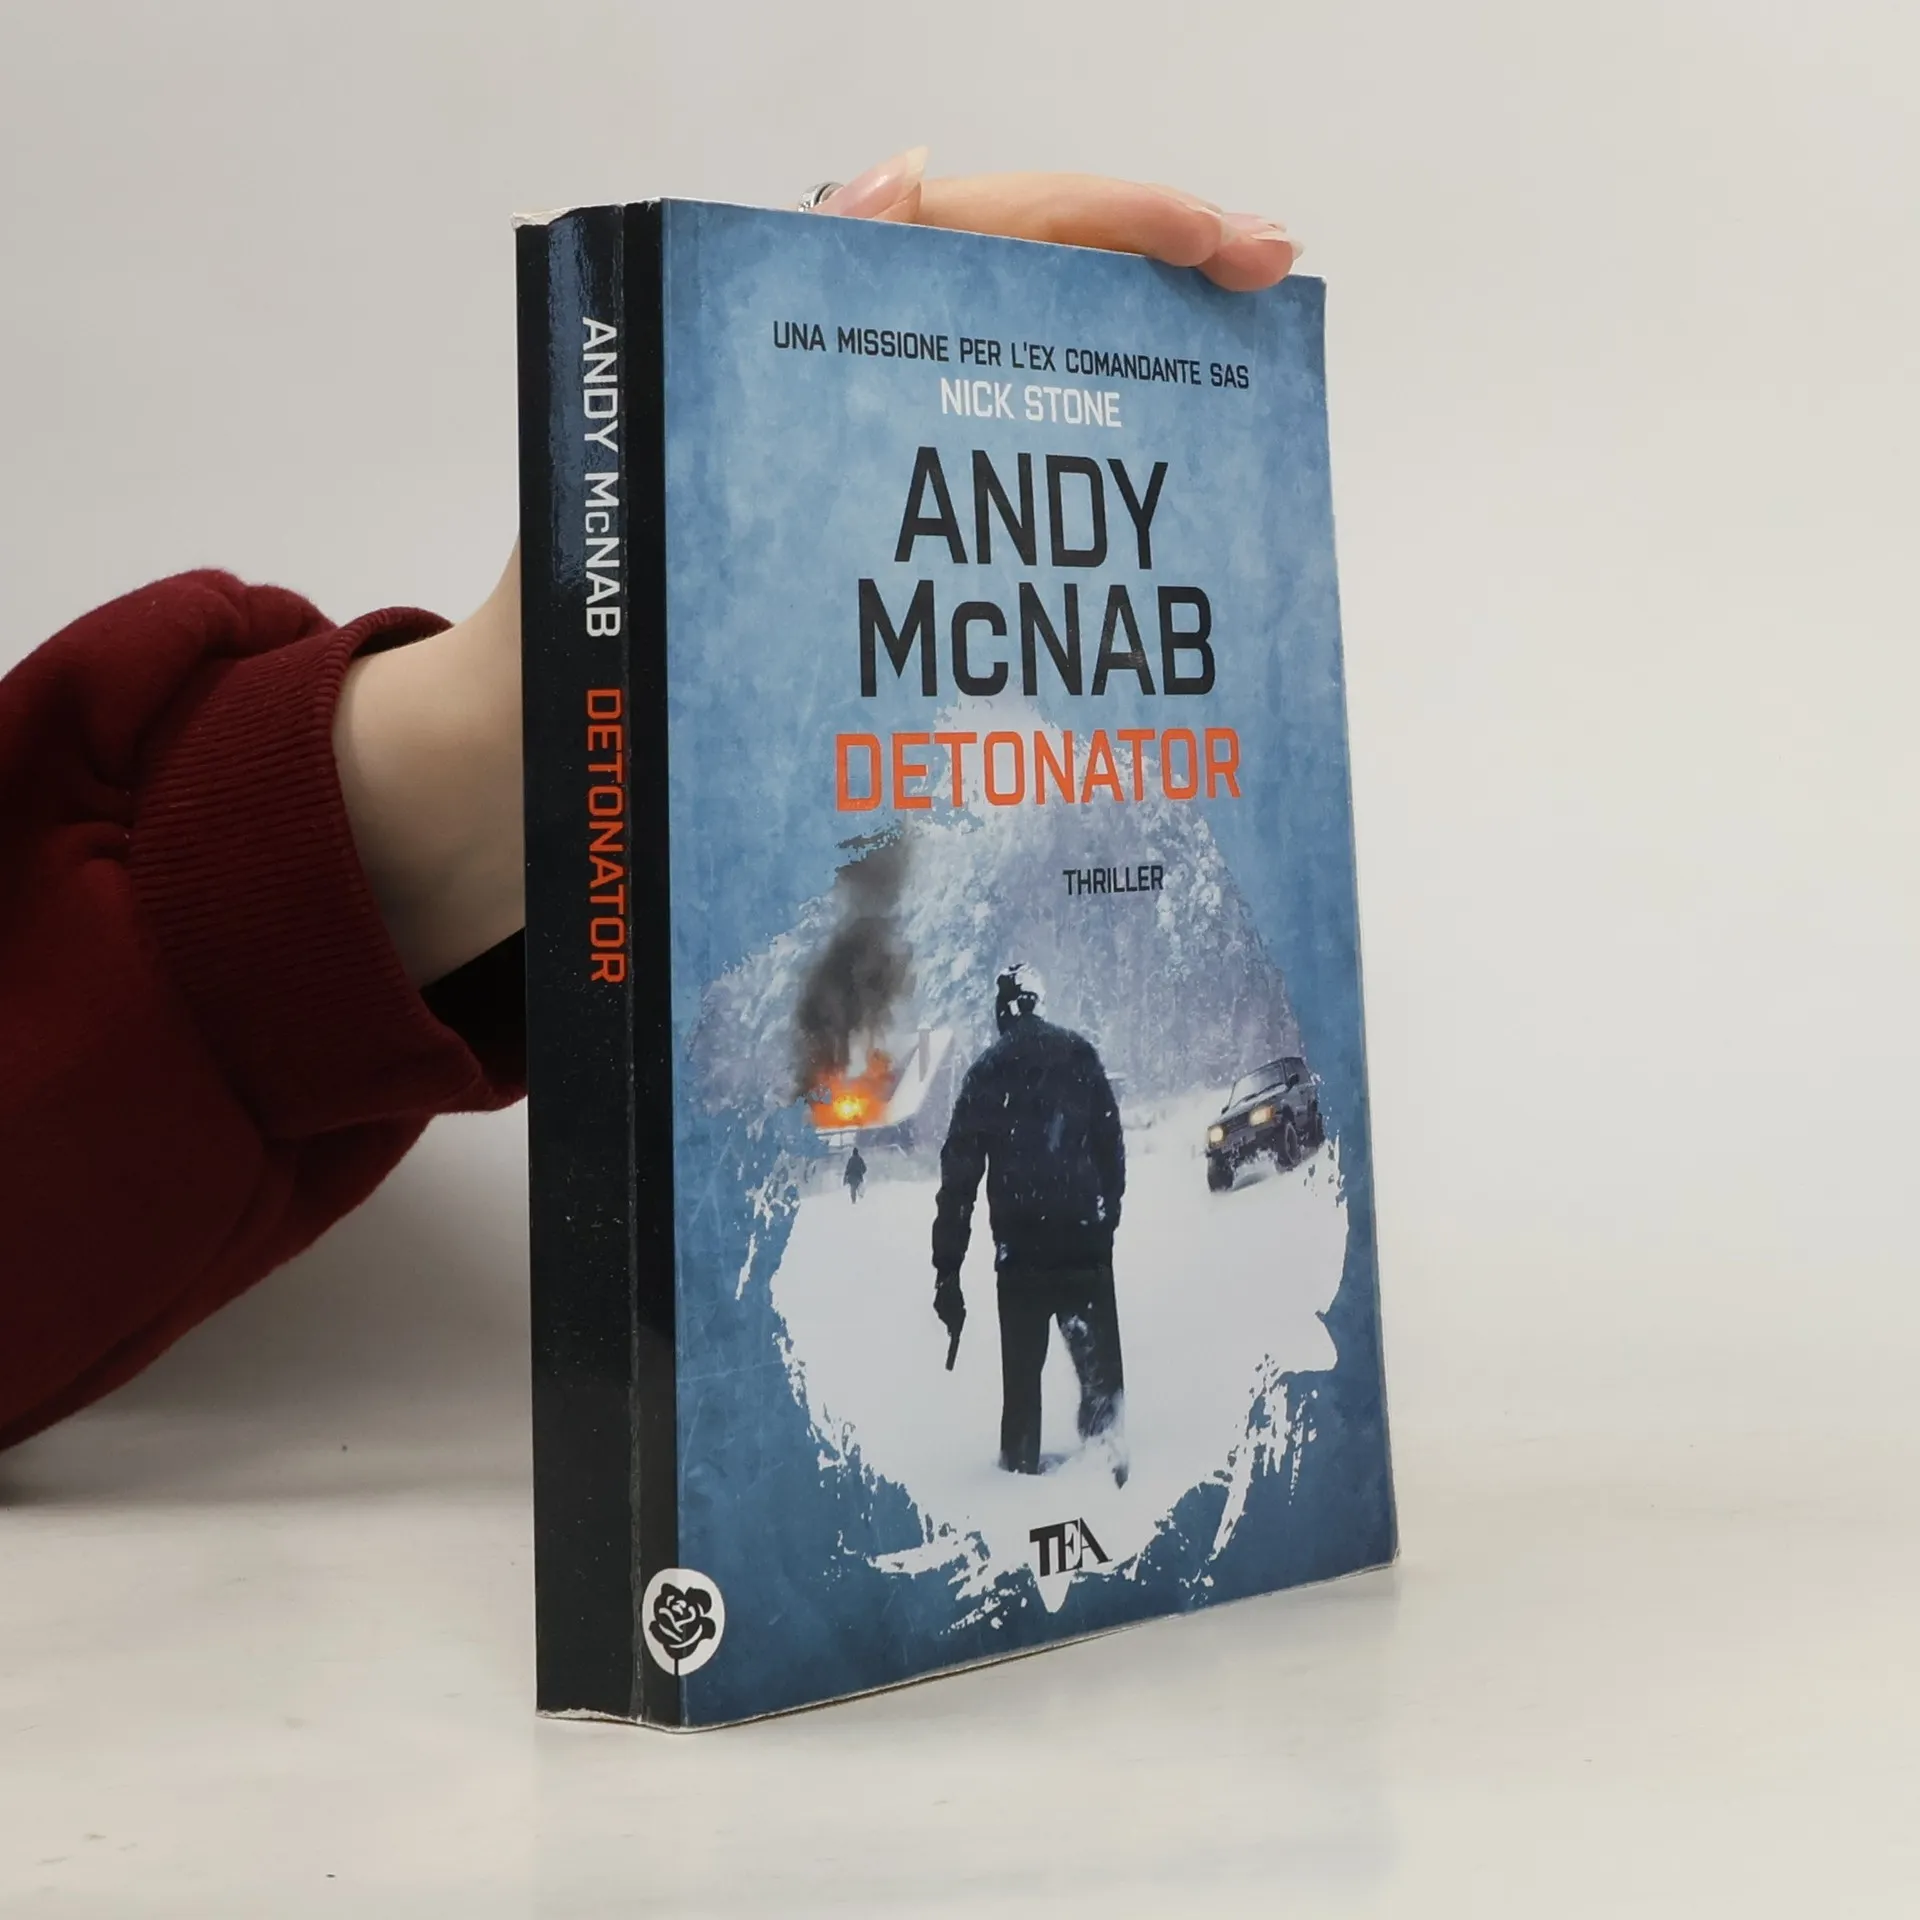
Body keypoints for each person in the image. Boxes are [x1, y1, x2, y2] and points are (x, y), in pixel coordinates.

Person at [0, 148, 1300, 1454]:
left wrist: (476, 763)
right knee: (1082, 1363)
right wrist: (491, 755)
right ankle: (1096, 1449)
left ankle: (1046, 1454)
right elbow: (1022, 1151)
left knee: (1029, 1379)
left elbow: (975, 1159)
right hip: (1046, 1232)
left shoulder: (1023, 1063)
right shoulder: (1057, 1059)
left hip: (1016, 1241)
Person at [931, 966, 1129, 1483]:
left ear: (1003, 1013)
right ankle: (1112, 1477)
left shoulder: (986, 1074)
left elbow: (958, 1182)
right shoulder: (1079, 1056)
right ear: (1037, 1003)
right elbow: (1111, 1149)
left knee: (1021, 1392)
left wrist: (947, 1269)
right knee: (1101, 1381)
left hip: (1021, 1257)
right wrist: (1104, 1223)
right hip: (1083, 1246)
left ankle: (1018, 1483)